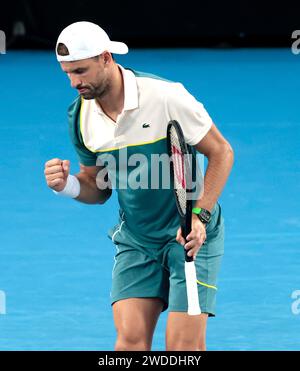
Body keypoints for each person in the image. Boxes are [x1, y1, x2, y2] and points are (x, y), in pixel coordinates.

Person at [44, 21, 234, 351]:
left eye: (81, 71)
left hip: (188, 237)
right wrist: (68, 186)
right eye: (67, 74)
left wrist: (200, 216)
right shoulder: (80, 117)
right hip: (137, 240)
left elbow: (221, 152)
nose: (75, 82)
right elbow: (97, 186)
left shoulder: (166, 97)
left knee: (182, 350)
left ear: (105, 58)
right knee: (129, 344)